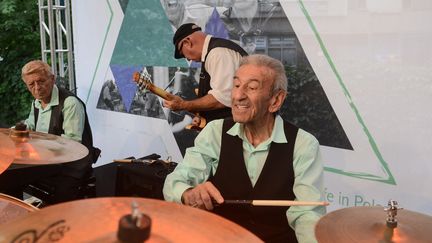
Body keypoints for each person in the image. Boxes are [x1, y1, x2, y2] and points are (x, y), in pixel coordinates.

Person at [163, 54, 326, 242]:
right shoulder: (215, 132)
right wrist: (187, 194)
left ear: (276, 100)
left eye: (252, 87)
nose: (238, 96)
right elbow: (175, 181)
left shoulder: (304, 145)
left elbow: (308, 214)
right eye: (237, 85)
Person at [0, 60, 98, 204]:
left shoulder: (70, 103)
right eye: (31, 84)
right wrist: (11, 133)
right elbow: (30, 126)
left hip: (70, 165)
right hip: (46, 162)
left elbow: (72, 144)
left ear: (52, 79)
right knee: (6, 178)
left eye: (41, 81)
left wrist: (41, 149)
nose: (37, 88)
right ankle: (16, 215)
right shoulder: (37, 102)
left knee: (60, 199)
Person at [163, 23, 248, 126]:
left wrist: (183, 105)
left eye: (183, 53)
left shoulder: (217, 54)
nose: (188, 59)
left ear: (187, 43)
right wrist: (201, 117)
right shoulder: (213, 53)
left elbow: (222, 98)